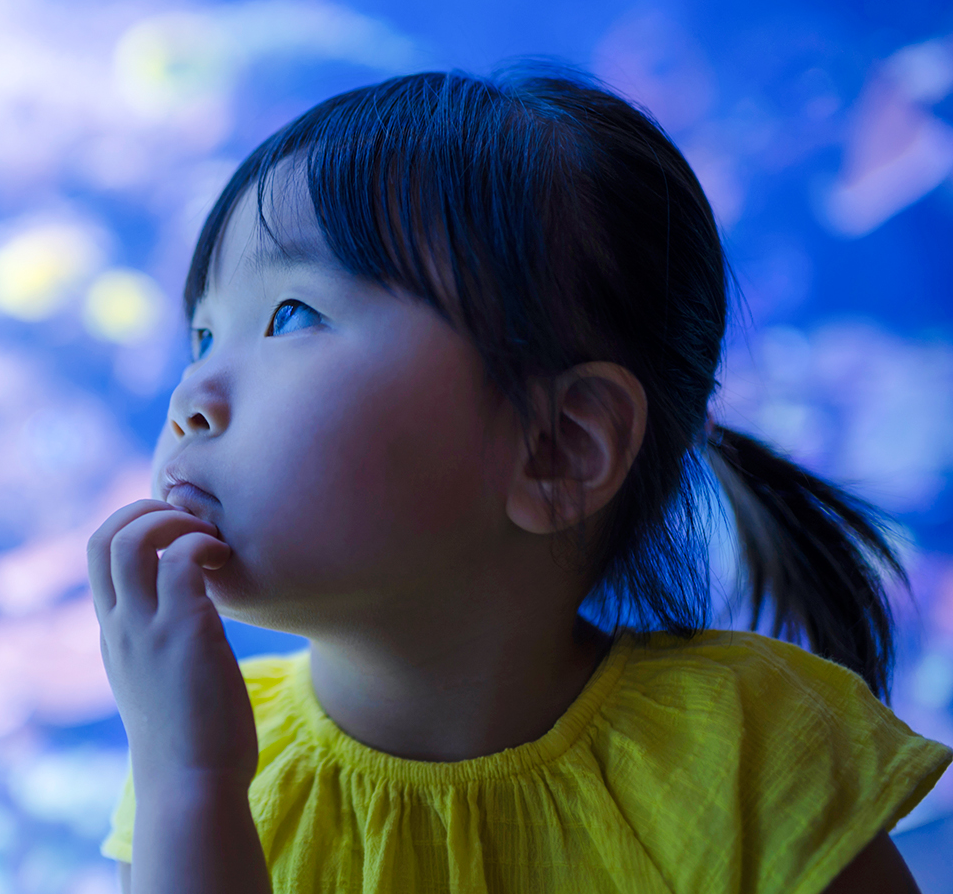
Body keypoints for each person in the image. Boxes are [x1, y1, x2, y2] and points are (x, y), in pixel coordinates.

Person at [86, 65, 953, 893]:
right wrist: (188, 783)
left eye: (292, 315)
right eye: (203, 336)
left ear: (558, 449)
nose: (190, 396)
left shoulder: (743, 753)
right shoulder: (201, 756)